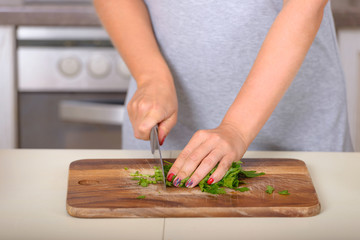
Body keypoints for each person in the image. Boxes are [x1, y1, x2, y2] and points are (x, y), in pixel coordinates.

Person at [94, 0, 353, 188]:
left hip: (296, 130)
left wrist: (236, 129)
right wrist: (151, 76)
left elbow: (305, 6)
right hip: (169, 131)